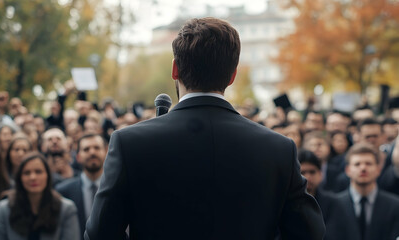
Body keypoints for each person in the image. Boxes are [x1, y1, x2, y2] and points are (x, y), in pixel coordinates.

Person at [85, 17, 324, 240]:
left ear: (174, 69)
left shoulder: (129, 143)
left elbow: (99, 233)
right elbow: (310, 233)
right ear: (232, 75)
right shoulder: (279, 149)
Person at [0, 152, 80, 240]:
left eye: (38, 172)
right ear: (20, 178)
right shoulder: (4, 209)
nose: (33, 177)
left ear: (48, 176)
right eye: (27, 173)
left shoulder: (66, 209)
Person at [330, 143, 399, 240]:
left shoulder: (395, 205)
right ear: (348, 170)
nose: (363, 168)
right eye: (357, 164)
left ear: (378, 169)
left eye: (368, 163)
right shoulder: (333, 205)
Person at [56, 134, 110, 239]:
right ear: (78, 157)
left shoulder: (119, 189)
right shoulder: (63, 191)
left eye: (97, 148)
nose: (92, 152)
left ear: (106, 152)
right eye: (86, 149)